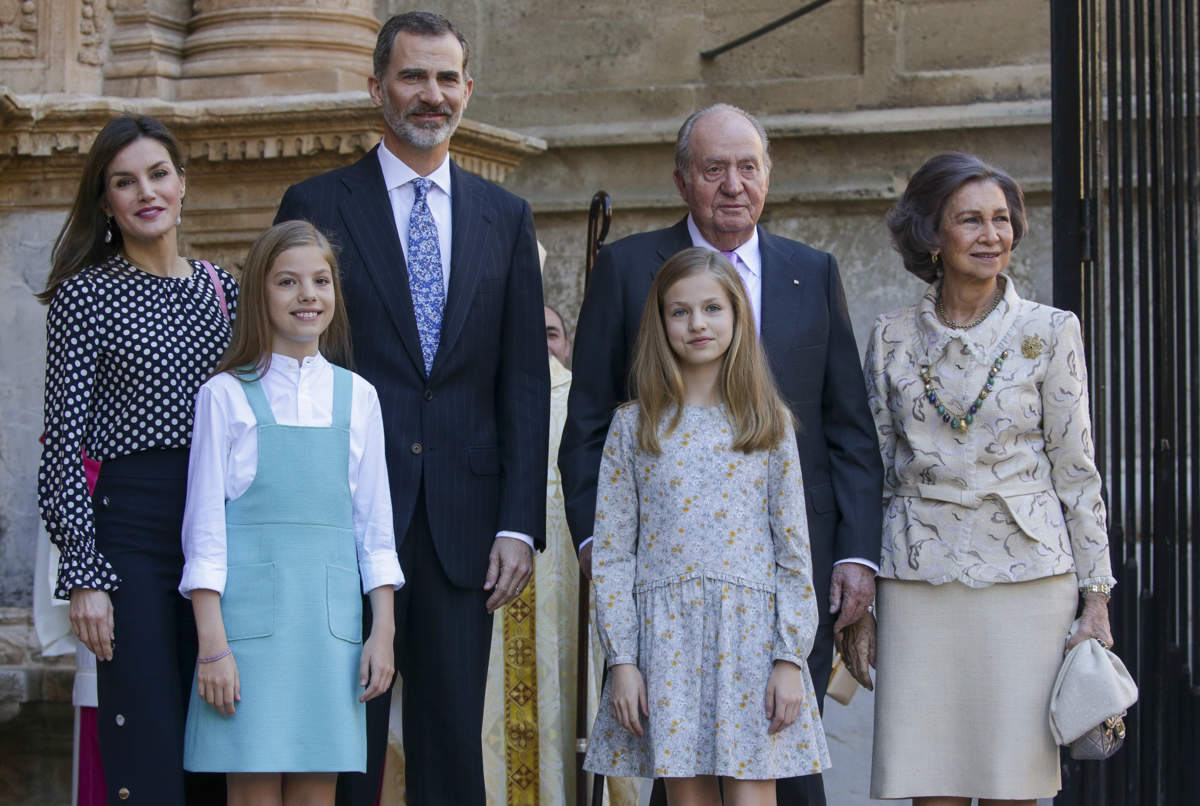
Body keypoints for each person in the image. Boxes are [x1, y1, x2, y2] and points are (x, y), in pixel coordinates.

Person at [559, 103, 882, 805]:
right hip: (660, 596)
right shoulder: (626, 270)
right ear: (683, 180)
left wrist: (856, 552)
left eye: (748, 167)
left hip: (778, 586)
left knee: (783, 772)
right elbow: (586, 424)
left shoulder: (812, 271)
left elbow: (847, 426)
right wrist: (597, 545)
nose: (733, 184)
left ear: (768, 175)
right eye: (714, 169)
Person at [273, 12, 550, 805]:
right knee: (345, 739)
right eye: (412, 77)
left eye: (445, 78)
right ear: (376, 87)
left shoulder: (506, 217)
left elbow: (523, 383)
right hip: (342, 516)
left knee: (451, 742)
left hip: (465, 526)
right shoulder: (317, 202)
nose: (431, 95)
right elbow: (291, 360)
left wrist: (516, 524)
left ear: (467, 89)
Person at [863, 151, 1116, 804]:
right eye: (969, 220)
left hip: (1027, 579)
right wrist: (859, 588)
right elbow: (875, 471)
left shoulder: (1048, 333)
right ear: (931, 236)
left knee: (1013, 784)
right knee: (930, 782)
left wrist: (1096, 595)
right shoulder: (889, 338)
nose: (991, 235)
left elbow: (1075, 469)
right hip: (918, 576)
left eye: (1001, 219)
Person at [583, 247, 831, 804]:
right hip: (665, 642)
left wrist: (790, 658)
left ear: (737, 316)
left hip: (751, 639)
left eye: (713, 308)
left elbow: (794, 552)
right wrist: (622, 660)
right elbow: (615, 555)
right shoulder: (635, 426)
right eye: (680, 311)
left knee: (751, 797)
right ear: (661, 322)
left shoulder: (767, 423)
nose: (697, 324)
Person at [37, 114, 237, 804]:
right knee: (149, 741)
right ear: (106, 203)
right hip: (134, 534)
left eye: (158, 174)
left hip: (223, 529)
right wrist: (84, 575)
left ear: (183, 183)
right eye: (124, 182)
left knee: (224, 734)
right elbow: (61, 446)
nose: (146, 192)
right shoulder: (86, 295)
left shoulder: (224, 290)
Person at [178, 221, 405, 805]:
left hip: (330, 635)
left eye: (320, 280)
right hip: (246, 638)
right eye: (287, 281)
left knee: (316, 793)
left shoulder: (359, 397)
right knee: (251, 793)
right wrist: (214, 646)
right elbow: (204, 535)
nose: (307, 294)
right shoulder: (224, 396)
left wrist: (382, 630)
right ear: (260, 294)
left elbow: (374, 528)